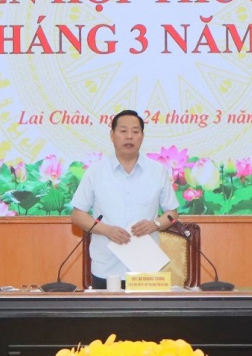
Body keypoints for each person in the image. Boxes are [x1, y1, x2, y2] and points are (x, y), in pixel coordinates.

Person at [69, 110, 180, 290]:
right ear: (112, 135)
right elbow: (77, 215)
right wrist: (107, 230)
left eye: (135, 131)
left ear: (142, 136)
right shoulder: (96, 172)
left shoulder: (157, 171)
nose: (129, 136)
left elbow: (172, 214)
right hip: (106, 267)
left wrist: (155, 224)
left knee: (147, 310)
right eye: (123, 131)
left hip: (145, 268)